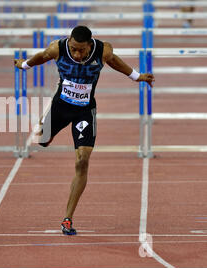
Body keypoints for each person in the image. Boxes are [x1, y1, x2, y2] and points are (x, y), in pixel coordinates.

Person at [14, 25, 154, 235]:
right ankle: (46, 125)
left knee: (82, 161)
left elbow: (114, 61)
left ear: (90, 45)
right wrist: (24, 65)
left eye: (82, 50)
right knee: (41, 140)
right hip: (61, 105)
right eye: (74, 49)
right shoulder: (57, 48)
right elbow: (42, 56)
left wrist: (136, 76)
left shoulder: (103, 50)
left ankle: (67, 218)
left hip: (85, 111)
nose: (78, 54)